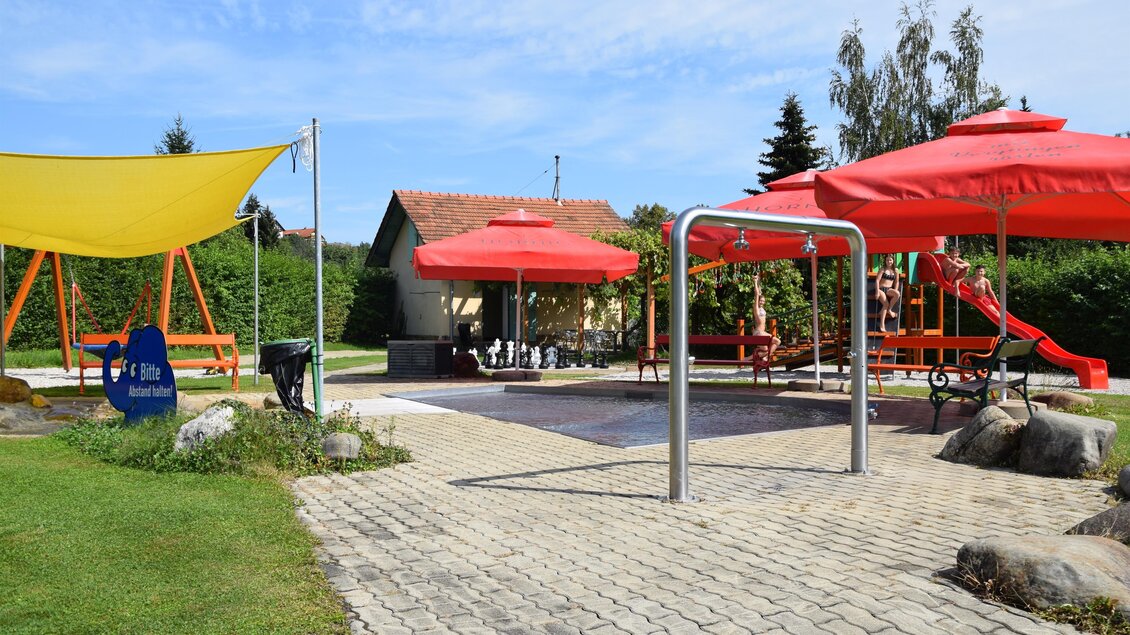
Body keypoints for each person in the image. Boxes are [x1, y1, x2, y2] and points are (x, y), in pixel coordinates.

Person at [743, 271, 780, 362]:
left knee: (777, 342)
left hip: (762, 332)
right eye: (761, 301)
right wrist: (755, 282)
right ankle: (748, 358)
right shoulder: (756, 309)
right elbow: (757, 294)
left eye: (763, 301)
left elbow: (759, 291)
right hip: (758, 333)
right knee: (766, 349)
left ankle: (765, 357)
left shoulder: (762, 309)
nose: (762, 302)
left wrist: (759, 279)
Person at [875, 254, 902, 333]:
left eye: (890, 260)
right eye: (887, 260)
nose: (889, 262)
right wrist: (877, 292)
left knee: (897, 294)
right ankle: (882, 325)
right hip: (881, 289)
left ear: (893, 261)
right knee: (885, 304)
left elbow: (896, 282)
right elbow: (877, 280)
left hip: (889, 289)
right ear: (885, 261)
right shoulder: (882, 269)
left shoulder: (895, 271)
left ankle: (889, 310)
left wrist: (895, 290)